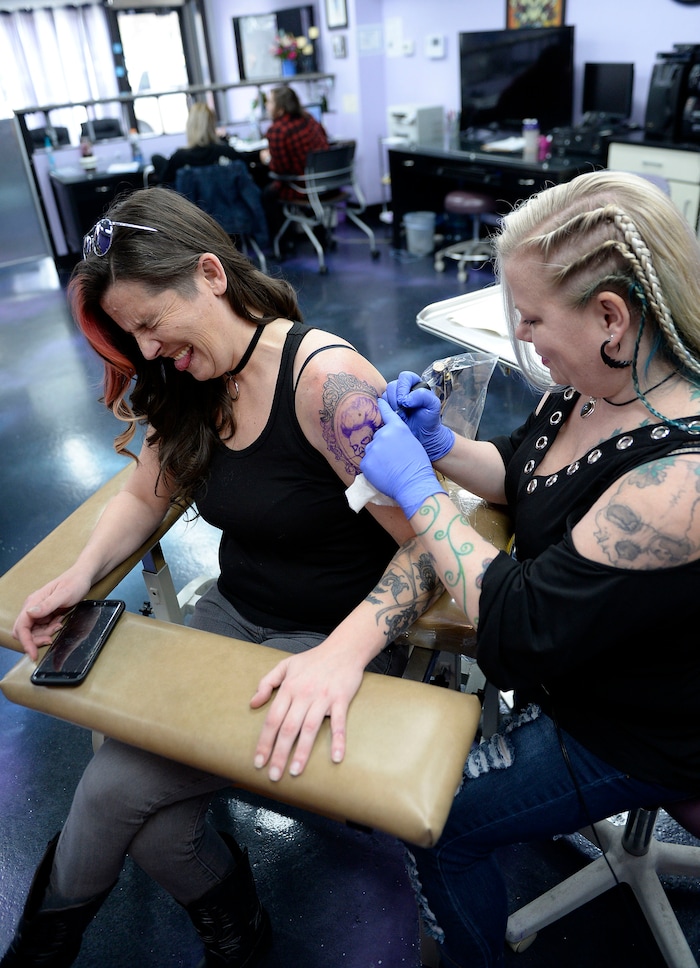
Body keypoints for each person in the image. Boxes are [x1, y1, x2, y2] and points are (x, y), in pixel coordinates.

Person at [2, 186, 441, 968]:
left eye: (149, 324)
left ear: (210, 273)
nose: (144, 352)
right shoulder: (193, 382)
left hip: (333, 635)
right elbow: (146, 492)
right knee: (159, 826)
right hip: (235, 617)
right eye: (129, 335)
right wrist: (81, 575)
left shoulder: (325, 385)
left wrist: (340, 655)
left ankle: (41, 952)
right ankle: (236, 924)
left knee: (112, 794)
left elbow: (426, 548)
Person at [355, 169, 700, 966]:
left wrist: (417, 488)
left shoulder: (678, 481)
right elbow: (527, 469)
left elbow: (518, 624)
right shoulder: (594, 384)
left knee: (436, 827)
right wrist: (446, 449)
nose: (524, 335)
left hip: (638, 726)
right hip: (582, 673)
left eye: (533, 317)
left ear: (610, 317)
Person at [259, 85, 329, 242]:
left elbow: (281, 170)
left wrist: (268, 159)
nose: (266, 106)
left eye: (269, 102)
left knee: (267, 194)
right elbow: (325, 141)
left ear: (281, 107)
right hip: (325, 182)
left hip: (301, 186)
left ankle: (283, 243)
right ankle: (320, 234)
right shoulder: (309, 119)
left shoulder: (277, 130)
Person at [151, 102, 243, 185]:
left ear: (190, 126)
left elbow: (165, 183)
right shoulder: (226, 152)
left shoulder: (179, 157)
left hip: (189, 203)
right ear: (212, 125)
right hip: (227, 202)